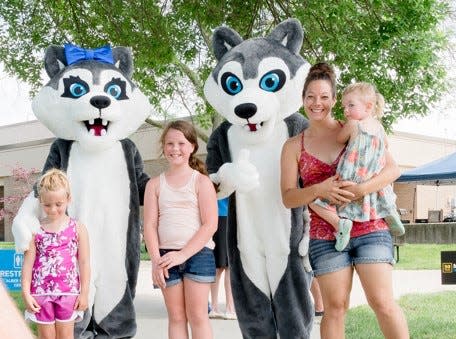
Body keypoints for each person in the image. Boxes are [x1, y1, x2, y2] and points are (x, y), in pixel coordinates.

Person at [281, 63, 409, 338]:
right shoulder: (293, 146)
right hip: (325, 235)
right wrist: (319, 189)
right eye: (311, 97)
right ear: (302, 99)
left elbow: (393, 169)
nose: (317, 103)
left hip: (370, 227)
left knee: (383, 303)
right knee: (335, 308)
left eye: (324, 97)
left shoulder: (356, 128)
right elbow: (289, 197)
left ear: (333, 100)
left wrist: (362, 189)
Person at [143, 120, 218, 339]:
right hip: (165, 258)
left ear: (193, 146)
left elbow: (210, 224)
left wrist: (183, 254)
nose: (175, 149)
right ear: (163, 147)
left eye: (181, 143)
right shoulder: (154, 184)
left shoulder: (202, 182)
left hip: (198, 255)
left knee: (197, 316)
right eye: (169, 144)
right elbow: (150, 224)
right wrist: (156, 260)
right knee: (176, 317)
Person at [310, 82, 405, 251]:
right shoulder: (379, 128)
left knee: (315, 202)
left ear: (368, 107)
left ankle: (340, 224)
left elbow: (340, 139)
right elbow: (386, 146)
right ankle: (391, 212)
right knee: (381, 192)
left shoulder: (354, 125)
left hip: (351, 176)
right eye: (345, 106)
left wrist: (343, 130)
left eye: (351, 105)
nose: (346, 110)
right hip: (372, 177)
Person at [20, 168, 90, 339]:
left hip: (69, 292)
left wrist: (85, 293)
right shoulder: (35, 230)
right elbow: (28, 263)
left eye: (58, 204)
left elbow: (84, 262)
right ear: (40, 202)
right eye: (47, 205)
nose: (52, 210)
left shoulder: (78, 228)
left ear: (68, 199)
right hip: (40, 293)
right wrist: (25, 292)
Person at [209, 198, 236, 320]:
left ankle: (219, 307)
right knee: (225, 266)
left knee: (222, 266)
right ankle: (226, 308)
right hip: (224, 216)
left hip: (222, 216)